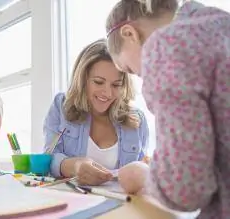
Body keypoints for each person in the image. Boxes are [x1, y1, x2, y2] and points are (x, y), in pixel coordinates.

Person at [106, 0, 230, 217]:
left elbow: (185, 191)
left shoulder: (166, 45)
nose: (141, 76)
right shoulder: (220, 27)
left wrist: (143, 175)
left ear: (129, 33)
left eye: (129, 69)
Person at [43, 39, 149, 186]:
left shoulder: (137, 120)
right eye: (98, 82)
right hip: (72, 201)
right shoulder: (61, 106)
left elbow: (142, 167)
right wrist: (75, 166)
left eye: (116, 85)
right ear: (83, 79)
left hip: (122, 204)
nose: (107, 93)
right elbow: (47, 159)